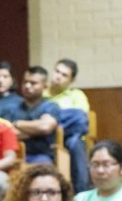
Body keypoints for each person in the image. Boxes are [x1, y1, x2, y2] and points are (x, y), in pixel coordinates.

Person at [45, 58, 91, 193]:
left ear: (71, 80)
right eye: (57, 71)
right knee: (74, 116)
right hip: (47, 137)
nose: (58, 76)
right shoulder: (42, 94)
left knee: (76, 140)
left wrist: (54, 118)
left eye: (64, 75)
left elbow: (82, 121)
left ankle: (81, 194)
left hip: (71, 137)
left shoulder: (76, 95)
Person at [0, 66, 60, 164]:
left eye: (33, 83)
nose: (27, 86)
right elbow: (7, 134)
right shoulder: (11, 108)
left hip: (41, 156)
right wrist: (35, 130)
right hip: (13, 156)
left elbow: (45, 127)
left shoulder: (50, 106)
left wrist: (17, 123)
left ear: (45, 86)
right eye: (25, 82)